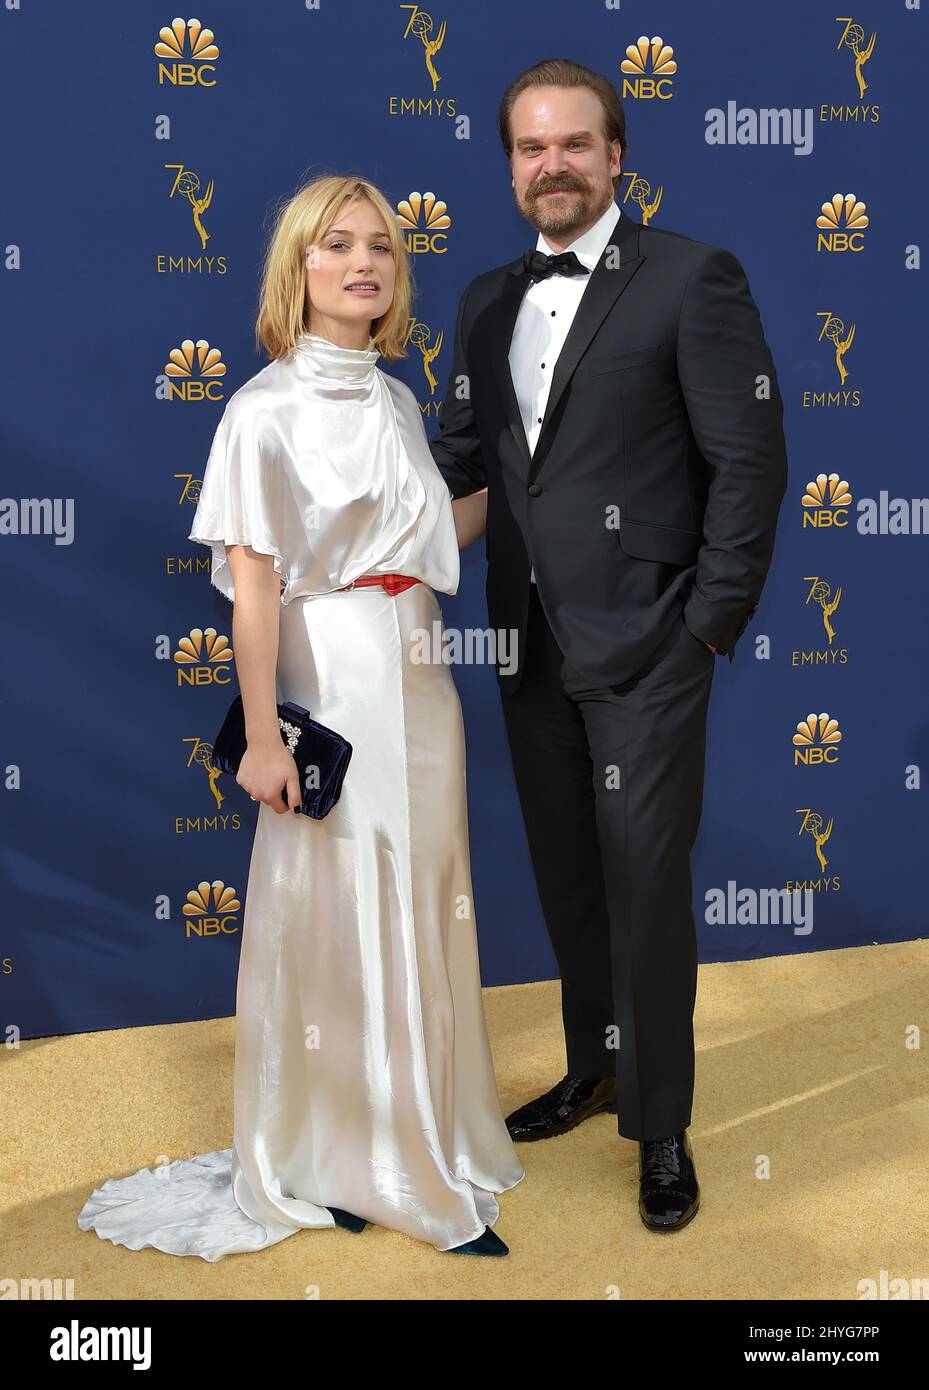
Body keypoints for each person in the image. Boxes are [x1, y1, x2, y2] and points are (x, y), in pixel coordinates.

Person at [77, 175, 524, 1261]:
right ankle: (343, 1161)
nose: (362, 262)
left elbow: (429, 543)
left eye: (379, 246)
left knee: (420, 896)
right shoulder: (260, 412)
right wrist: (265, 734)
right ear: (299, 270)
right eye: (336, 246)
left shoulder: (402, 402)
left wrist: (530, 469)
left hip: (417, 669)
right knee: (332, 907)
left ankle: (411, 1139)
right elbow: (258, 585)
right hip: (328, 677)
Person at [429, 59, 788, 1232]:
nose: (551, 167)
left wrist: (706, 628)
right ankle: (591, 1068)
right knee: (569, 879)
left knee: (642, 889)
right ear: (510, 166)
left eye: (572, 145)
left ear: (615, 154)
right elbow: (463, 463)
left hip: (649, 644)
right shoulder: (484, 297)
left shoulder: (691, 278)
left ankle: (660, 1123)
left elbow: (747, 464)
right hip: (524, 640)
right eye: (529, 150)